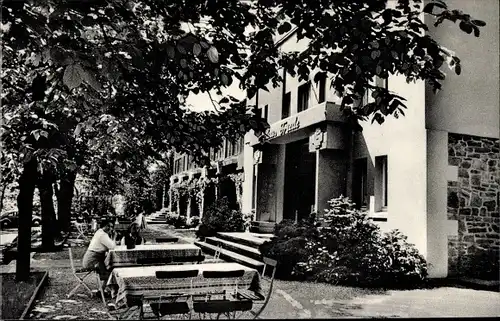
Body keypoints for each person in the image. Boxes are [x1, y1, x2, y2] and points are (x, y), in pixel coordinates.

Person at [82, 219, 116, 294]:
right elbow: (112, 246)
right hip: (92, 260)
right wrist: (114, 237)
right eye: (108, 226)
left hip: (95, 258)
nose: (110, 228)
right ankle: (102, 290)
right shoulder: (102, 234)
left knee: (111, 267)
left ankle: (103, 290)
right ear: (103, 226)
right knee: (110, 269)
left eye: (111, 227)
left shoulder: (100, 232)